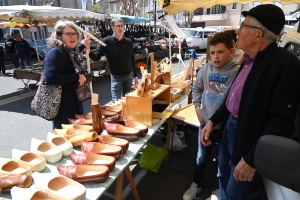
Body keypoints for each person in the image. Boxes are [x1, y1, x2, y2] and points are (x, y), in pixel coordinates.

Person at [201, 4, 300, 200]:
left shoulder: (284, 64)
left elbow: (281, 122)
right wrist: (212, 121)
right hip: (230, 129)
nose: (237, 30)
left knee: (236, 190)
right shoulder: (248, 60)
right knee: (222, 176)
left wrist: (252, 159)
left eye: (243, 26)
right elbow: (232, 99)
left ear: (258, 35)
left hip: (247, 139)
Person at [183, 32, 240, 200]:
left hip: (225, 126)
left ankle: (218, 191)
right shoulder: (206, 68)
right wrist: (198, 109)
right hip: (205, 121)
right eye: (212, 52)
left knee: (223, 161)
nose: (215, 56)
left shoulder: (237, 71)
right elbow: (197, 89)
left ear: (231, 51)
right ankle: (196, 184)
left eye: (220, 52)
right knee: (202, 156)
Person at [79, 18, 138, 103]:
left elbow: (132, 59)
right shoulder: (106, 41)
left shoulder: (128, 42)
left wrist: (135, 76)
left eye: (122, 26)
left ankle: (124, 116)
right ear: (112, 28)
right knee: (116, 103)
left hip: (129, 76)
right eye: (118, 26)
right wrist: (88, 51)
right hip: (116, 77)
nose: (120, 28)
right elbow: (96, 57)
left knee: (127, 102)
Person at [43, 20, 88, 129]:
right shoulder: (56, 52)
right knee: (67, 134)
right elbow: (51, 77)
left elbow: (74, 55)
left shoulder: (69, 51)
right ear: (59, 36)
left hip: (73, 99)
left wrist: (83, 45)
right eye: (68, 34)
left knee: (77, 131)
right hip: (63, 104)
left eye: (75, 34)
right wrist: (77, 77)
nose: (73, 37)